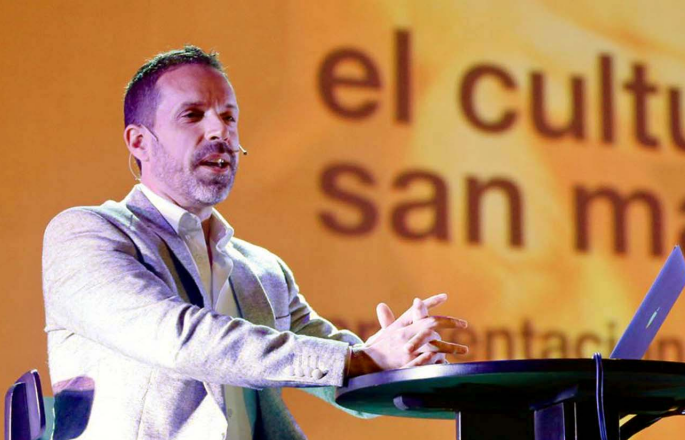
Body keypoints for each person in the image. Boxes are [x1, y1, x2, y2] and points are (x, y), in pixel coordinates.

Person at [41, 45, 468, 439]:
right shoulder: (87, 234)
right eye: (193, 115)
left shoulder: (262, 269)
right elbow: (179, 339)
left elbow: (338, 374)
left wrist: (402, 360)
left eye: (229, 117)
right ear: (140, 142)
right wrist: (358, 359)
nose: (219, 131)